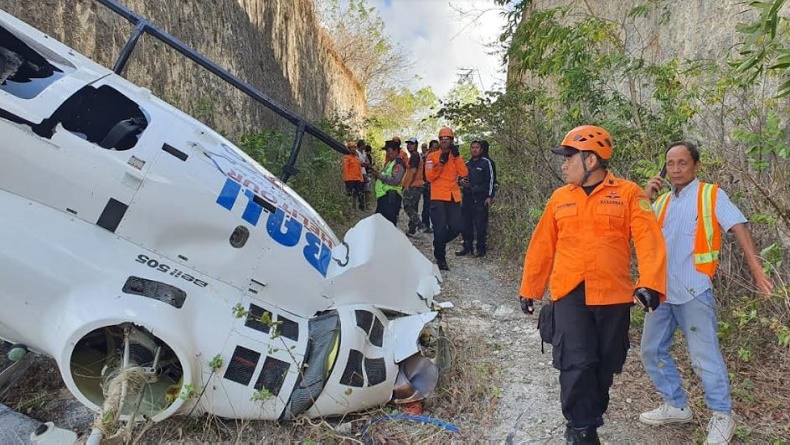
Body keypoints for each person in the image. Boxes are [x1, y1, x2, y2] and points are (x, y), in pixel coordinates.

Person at [519, 125, 667, 444]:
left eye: (569, 157)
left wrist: (650, 283)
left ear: (591, 161)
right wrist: (530, 288)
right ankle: (579, 428)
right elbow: (542, 244)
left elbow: (648, 240)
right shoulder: (560, 198)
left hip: (612, 293)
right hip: (570, 291)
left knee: (605, 361)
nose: (563, 164)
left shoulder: (628, 194)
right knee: (577, 360)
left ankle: (591, 416)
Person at [639, 141, 773, 444]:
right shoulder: (660, 203)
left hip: (694, 290)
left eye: (682, 163)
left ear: (695, 166)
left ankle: (722, 415)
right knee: (650, 350)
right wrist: (645, 198)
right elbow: (638, 234)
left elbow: (739, 226)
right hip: (661, 294)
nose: (675, 169)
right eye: (670, 164)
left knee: (704, 357)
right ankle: (675, 405)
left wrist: (757, 271)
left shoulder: (711, 194)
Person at [425, 127, 468, 271]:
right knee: (440, 229)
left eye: (447, 138)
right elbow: (430, 177)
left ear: (451, 140)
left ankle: (439, 243)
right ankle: (441, 258)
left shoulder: (455, 156)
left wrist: (457, 157)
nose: (445, 141)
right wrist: (441, 164)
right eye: (442, 139)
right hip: (438, 197)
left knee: (457, 227)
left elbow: (464, 173)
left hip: (453, 197)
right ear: (439, 140)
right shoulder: (432, 157)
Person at [457, 140, 496, 257]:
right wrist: (460, 182)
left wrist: (490, 196)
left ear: (481, 149)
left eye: (477, 147)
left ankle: (481, 249)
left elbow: (491, 180)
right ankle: (467, 247)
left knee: (480, 225)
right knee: (465, 224)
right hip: (467, 197)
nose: (474, 149)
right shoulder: (467, 163)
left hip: (480, 198)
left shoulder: (486, 163)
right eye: (472, 147)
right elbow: (459, 177)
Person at [370, 140, 406, 226]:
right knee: (381, 224)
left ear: (396, 151)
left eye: (389, 151)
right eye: (386, 151)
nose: (387, 153)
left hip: (390, 198)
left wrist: (379, 175)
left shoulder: (398, 163)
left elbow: (395, 181)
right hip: (385, 197)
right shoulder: (390, 162)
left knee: (388, 225)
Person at [402, 137, 428, 236]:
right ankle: (412, 230)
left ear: (416, 145)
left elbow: (413, 171)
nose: (409, 146)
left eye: (411, 144)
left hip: (414, 185)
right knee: (413, 207)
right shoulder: (414, 156)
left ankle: (420, 225)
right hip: (416, 185)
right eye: (408, 144)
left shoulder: (415, 156)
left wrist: (407, 186)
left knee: (407, 206)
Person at [421, 140, 439, 233]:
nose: (435, 149)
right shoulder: (428, 158)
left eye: (437, 147)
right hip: (428, 185)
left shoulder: (440, 157)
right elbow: (427, 173)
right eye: (434, 147)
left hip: (438, 186)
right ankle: (426, 225)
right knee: (427, 206)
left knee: (436, 207)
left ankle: (436, 226)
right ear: (430, 147)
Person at [341, 141, 364, 210]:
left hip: (358, 179)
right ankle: (349, 209)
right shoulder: (346, 158)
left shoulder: (357, 158)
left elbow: (359, 169)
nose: (354, 149)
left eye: (355, 147)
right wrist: (346, 179)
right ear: (349, 149)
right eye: (352, 148)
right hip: (350, 179)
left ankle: (360, 208)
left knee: (360, 194)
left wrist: (361, 178)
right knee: (349, 195)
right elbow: (345, 169)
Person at [357, 139, 371, 210]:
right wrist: (363, 163)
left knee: (367, 189)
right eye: (364, 144)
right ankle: (361, 206)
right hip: (358, 173)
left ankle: (367, 205)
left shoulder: (364, 153)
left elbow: (367, 160)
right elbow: (357, 162)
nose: (365, 146)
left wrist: (366, 163)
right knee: (361, 189)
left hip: (364, 172)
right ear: (361, 145)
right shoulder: (356, 152)